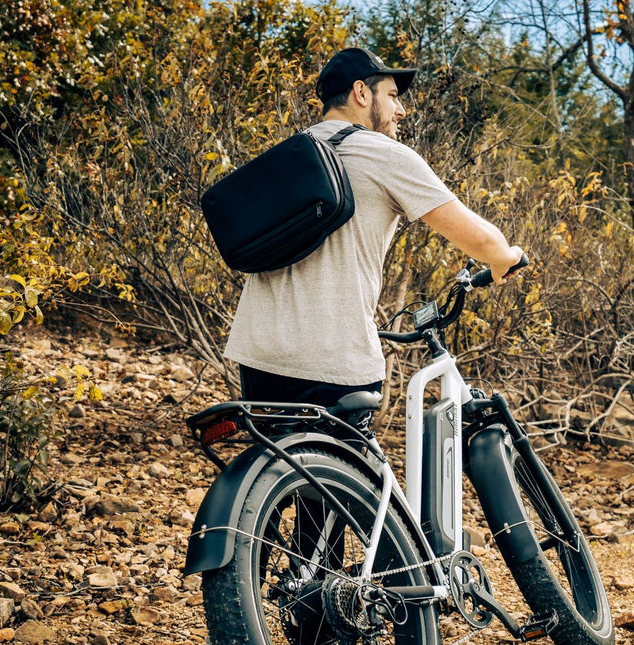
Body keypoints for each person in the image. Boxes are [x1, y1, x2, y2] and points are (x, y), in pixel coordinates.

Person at [224, 47, 524, 408]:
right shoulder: (384, 153)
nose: (402, 110)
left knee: (282, 459)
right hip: (332, 359)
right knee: (355, 462)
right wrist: (506, 256)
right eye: (393, 96)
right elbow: (480, 240)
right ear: (361, 93)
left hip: (259, 353)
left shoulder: (289, 154)